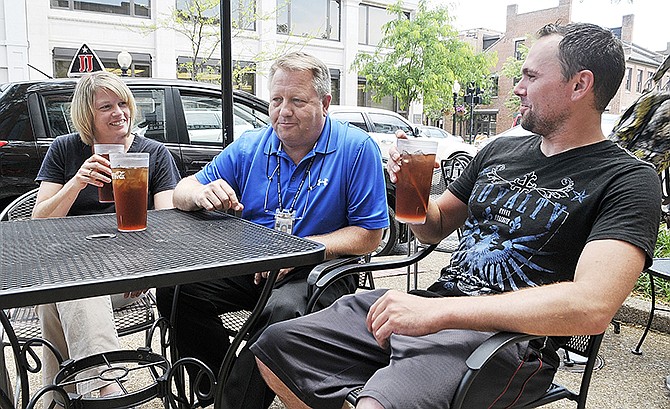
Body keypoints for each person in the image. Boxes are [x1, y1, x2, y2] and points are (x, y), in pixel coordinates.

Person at [251, 22, 662, 409]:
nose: (517, 88)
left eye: (531, 77)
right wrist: (408, 185)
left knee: (378, 403)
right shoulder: (501, 151)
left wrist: (440, 314)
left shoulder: (626, 179)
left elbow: (591, 306)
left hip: (510, 342)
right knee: (274, 346)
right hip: (433, 305)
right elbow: (434, 228)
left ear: (580, 84)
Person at [155, 51, 388, 409]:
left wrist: (301, 252)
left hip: (321, 267)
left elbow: (369, 235)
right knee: (176, 288)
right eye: (276, 100)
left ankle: (233, 402)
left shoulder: (357, 149)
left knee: (282, 312)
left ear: (325, 103)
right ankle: (219, 383)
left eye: (297, 100)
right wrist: (201, 193)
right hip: (254, 264)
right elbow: (180, 192)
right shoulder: (251, 145)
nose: (284, 111)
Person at [32, 70, 181, 399]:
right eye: (106, 107)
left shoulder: (153, 154)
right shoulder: (65, 149)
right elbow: (38, 219)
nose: (120, 112)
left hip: (128, 271)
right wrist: (77, 182)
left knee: (66, 291)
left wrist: (147, 264)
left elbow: (170, 222)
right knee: (62, 291)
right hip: (70, 262)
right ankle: (102, 391)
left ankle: (79, 396)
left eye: (123, 103)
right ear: (87, 114)